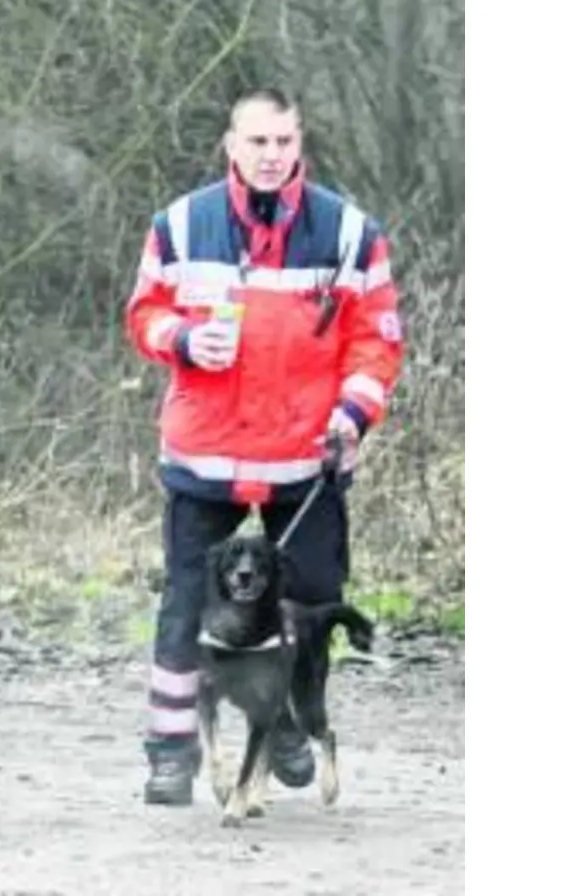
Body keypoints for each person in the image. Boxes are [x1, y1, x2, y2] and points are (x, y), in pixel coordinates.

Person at [123, 87, 405, 806]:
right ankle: (170, 749)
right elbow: (143, 313)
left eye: (283, 142)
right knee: (188, 601)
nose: (272, 156)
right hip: (205, 454)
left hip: (306, 459)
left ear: (299, 143)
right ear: (231, 145)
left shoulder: (348, 232)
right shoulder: (182, 224)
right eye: (258, 143)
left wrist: (354, 411)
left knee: (311, 605)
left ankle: (282, 723)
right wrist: (182, 339)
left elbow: (377, 339)